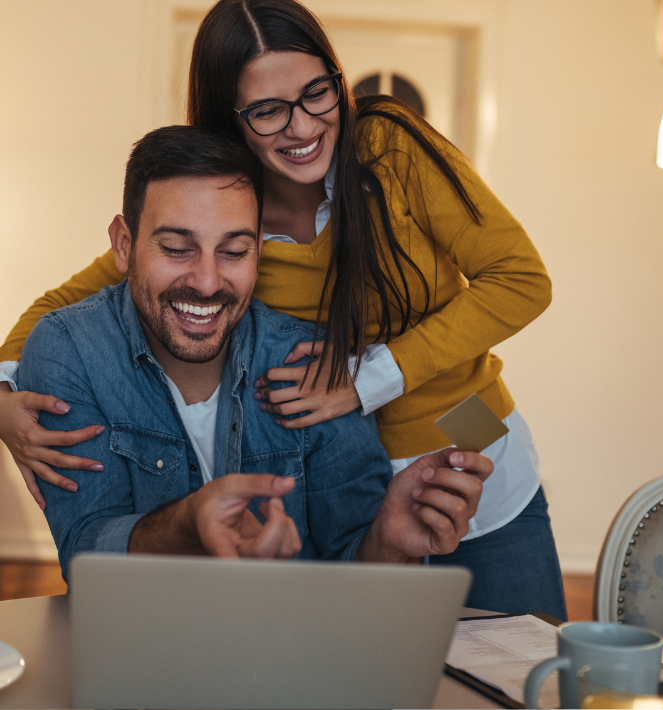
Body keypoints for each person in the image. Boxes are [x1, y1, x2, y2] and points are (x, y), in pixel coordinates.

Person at [0, 0, 566, 618]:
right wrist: (2, 399)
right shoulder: (226, 217)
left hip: (466, 430)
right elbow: (85, 295)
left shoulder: (391, 146)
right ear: (230, 122)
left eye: (316, 93)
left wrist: (364, 379)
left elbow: (521, 279)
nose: (301, 127)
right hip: (359, 485)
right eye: (268, 110)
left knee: (525, 660)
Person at [17, 124, 492, 580]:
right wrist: (189, 525)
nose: (206, 282)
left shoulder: (311, 363)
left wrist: (388, 543)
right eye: (178, 248)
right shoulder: (69, 350)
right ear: (124, 245)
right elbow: (86, 553)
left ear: (260, 250)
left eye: (234, 251)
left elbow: (353, 569)